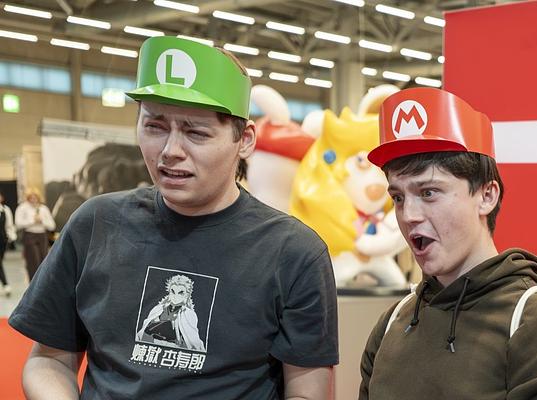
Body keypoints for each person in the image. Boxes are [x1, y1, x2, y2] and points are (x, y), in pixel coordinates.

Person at [9, 36, 338, 399]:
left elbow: (306, 390)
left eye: (195, 132)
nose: (170, 151)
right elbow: (49, 360)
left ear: (244, 140)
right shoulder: (96, 224)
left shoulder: (293, 252)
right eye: (155, 126)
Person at [358, 88, 537, 400]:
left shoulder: (536, 323)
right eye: (398, 197)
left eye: (428, 192)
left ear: (486, 195)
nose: (409, 215)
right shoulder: (392, 322)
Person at [14, 189, 54, 280]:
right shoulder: (22, 208)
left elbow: (52, 225)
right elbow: (18, 223)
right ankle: (33, 281)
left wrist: (42, 221)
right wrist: (32, 221)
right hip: (30, 235)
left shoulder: (43, 208)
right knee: (33, 260)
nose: (33, 199)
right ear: (28, 198)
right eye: (31, 197)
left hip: (42, 235)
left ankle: (43, 280)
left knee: (44, 259)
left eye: (35, 197)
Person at [0, 192, 15, 296]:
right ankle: (6, 285)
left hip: (2, 240)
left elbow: (9, 225)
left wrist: (11, 237)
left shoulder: (5, 210)